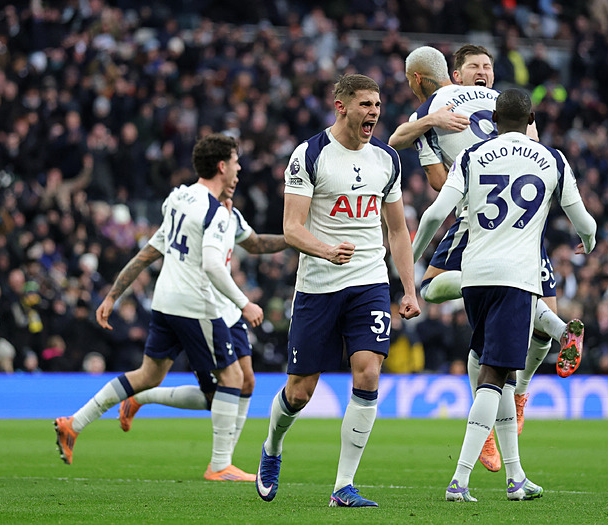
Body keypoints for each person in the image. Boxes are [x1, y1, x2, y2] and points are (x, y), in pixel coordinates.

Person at [389, 44, 584, 472]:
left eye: (487, 67)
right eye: (475, 67)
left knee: (433, 288)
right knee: (537, 324)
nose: (483, 73)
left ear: (416, 80)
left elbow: (432, 178)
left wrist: (429, 122)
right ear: (456, 74)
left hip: (477, 218)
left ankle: (509, 408)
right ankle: (526, 383)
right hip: (524, 224)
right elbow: (536, 156)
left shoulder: (433, 112)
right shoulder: (507, 107)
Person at [54, 133, 264, 482]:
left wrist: (111, 296)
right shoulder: (215, 212)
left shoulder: (179, 199)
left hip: (164, 301)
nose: (240, 167)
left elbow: (149, 252)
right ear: (222, 166)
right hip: (196, 304)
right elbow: (213, 266)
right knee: (234, 380)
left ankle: (73, 424)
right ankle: (219, 466)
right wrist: (245, 304)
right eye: (236, 161)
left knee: (148, 375)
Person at [255, 74, 421, 508]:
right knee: (300, 392)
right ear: (341, 106)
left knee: (367, 370)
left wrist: (408, 288)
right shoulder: (310, 155)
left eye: (378, 104)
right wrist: (327, 251)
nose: (374, 112)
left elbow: (398, 230)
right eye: (365, 104)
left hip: (368, 280)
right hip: (319, 285)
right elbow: (292, 228)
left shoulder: (387, 158)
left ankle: (343, 486)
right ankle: (272, 446)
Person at [117, 202, 289, 468]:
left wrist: (294, 239)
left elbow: (256, 243)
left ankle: (225, 461)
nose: (236, 175)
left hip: (230, 310)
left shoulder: (233, 215)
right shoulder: (198, 210)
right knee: (215, 396)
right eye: (233, 168)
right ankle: (142, 397)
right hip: (205, 311)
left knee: (247, 382)